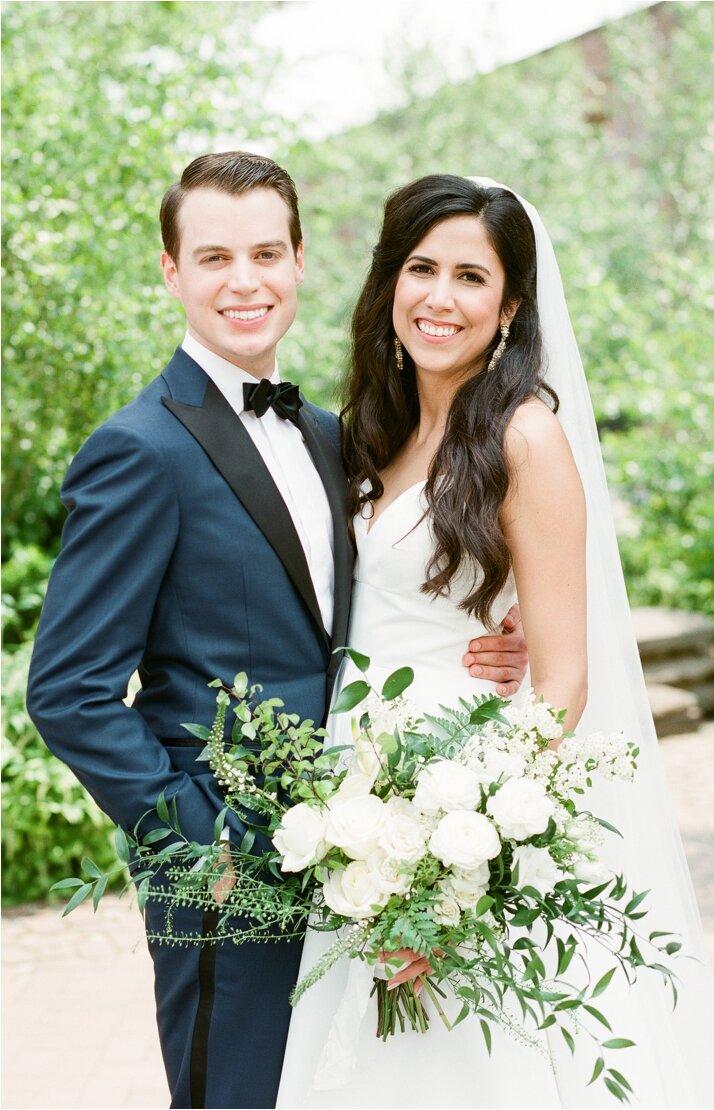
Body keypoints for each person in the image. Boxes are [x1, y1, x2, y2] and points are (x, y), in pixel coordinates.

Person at [25, 152, 525, 1109]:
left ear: (300, 261)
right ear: (172, 272)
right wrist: (196, 846)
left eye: (265, 251)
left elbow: (374, 607)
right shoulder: (138, 450)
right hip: (227, 877)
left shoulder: (338, 438)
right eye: (213, 257)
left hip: (363, 858)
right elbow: (69, 690)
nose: (243, 281)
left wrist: (498, 642)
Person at [275, 175, 714, 1107]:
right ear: (388, 282)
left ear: (511, 304)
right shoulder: (377, 425)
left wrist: (455, 863)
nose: (440, 298)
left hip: (451, 807)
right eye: (420, 268)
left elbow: (564, 678)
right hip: (357, 799)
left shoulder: (526, 436)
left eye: (470, 277)